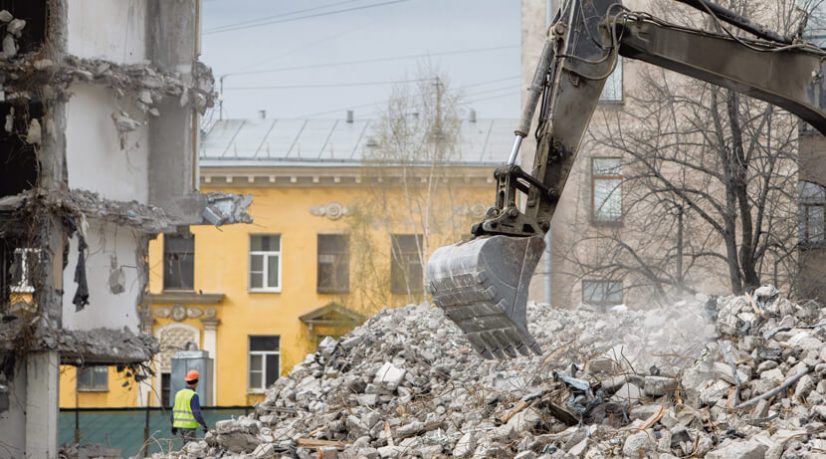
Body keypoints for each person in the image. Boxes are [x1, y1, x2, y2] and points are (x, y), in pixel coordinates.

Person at [171, 369, 209, 443]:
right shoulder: (193, 395)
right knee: (191, 449)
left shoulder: (178, 393)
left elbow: (173, 412)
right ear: (196, 381)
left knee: (186, 447)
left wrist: (173, 425)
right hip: (189, 427)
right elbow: (197, 414)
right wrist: (204, 426)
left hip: (180, 427)